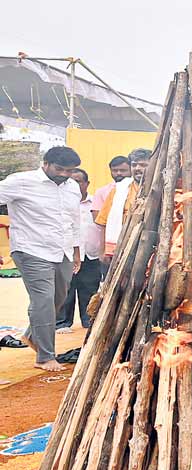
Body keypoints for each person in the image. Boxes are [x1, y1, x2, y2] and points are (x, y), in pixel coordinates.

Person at [0, 146, 82, 371]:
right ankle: (45, 357)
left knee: (58, 298)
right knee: (43, 299)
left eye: (69, 170)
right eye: (59, 169)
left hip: (63, 250)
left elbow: (73, 220)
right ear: (45, 163)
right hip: (30, 249)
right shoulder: (20, 181)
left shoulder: (73, 186)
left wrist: (76, 251)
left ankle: (32, 336)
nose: (64, 174)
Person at [56, 168, 103, 332]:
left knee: (89, 289)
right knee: (64, 290)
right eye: (71, 181)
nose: (74, 185)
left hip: (91, 254)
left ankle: (88, 320)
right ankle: (62, 323)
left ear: (87, 184)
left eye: (78, 181)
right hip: (66, 254)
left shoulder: (96, 203)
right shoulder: (60, 204)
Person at [95, 148, 151, 263]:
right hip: (121, 249)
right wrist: (104, 251)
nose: (138, 169)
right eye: (134, 165)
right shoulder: (119, 189)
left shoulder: (162, 189)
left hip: (150, 250)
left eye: (143, 165)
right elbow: (103, 223)